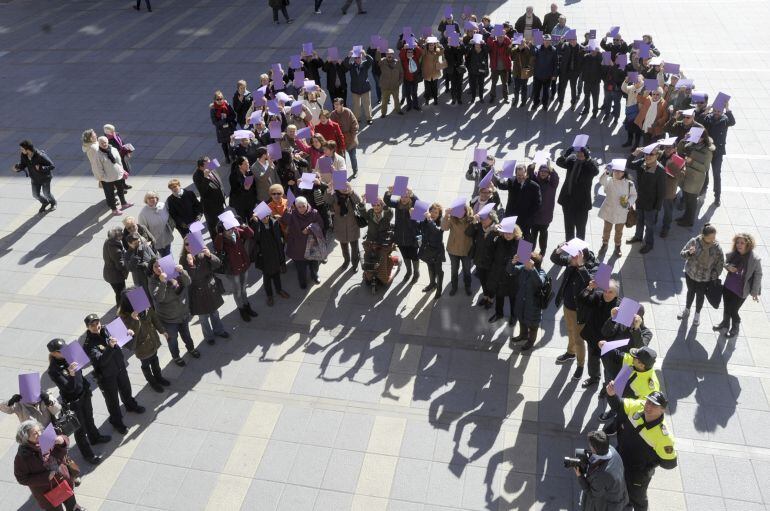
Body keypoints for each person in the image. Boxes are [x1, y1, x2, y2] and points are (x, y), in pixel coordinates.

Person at [606, 388, 677, 511]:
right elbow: (618, 405)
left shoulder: (664, 437)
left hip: (637, 474)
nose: (649, 406)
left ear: (662, 410)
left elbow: (669, 463)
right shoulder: (638, 407)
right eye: (648, 401)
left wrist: (647, 467)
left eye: (654, 405)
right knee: (618, 487)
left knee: (638, 500)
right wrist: (611, 395)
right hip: (620, 459)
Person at [46, 338, 110, 465]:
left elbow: (82, 373)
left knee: (89, 418)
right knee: (80, 429)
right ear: (53, 353)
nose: (64, 352)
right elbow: (69, 388)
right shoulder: (53, 370)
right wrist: (71, 374)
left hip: (84, 394)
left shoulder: (70, 356)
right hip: (73, 401)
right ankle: (88, 454)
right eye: (60, 351)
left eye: (65, 349)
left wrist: (86, 387)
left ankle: (95, 437)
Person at [82, 313, 145, 435]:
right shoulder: (89, 344)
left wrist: (130, 334)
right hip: (106, 376)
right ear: (88, 327)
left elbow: (126, 343)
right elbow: (101, 361)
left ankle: (130, 405)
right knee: (112, 401)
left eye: (97, 323)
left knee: (126, 389)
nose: (96, 326)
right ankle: (116, 422)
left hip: (119, 368)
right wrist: (110, 347)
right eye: (92, 325)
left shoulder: (108, 329)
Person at [14, 420, 83, 511]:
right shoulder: (23, 457)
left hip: (64, 481)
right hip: (47, 492)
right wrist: (46, 477)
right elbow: (21, 478)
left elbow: (64, 441)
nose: (39, 434)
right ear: (26, 438)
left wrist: (62, 441)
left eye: (39, 431)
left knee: (73, 507)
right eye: (35, 433)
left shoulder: (46, 438)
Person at [148, 258, 202, 366]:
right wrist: (163, 282)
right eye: (155, 266)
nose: (159, 268)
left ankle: (191, 349)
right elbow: (159, 298)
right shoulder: (153, 282)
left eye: (160, 265)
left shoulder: (174, 273)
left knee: (186, 335)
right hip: (168, 319)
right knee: (172, 340)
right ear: (152, 269)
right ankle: (176, 357)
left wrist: (182, 272)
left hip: (182, 314)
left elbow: (188, 282)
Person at [551, 244, 595, 380]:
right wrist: (558, 249)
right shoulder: (571, 263)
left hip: (580, 311)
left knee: (579, 339)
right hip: (568, 306)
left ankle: (580, 365)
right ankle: (570, 353)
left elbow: (592, 284)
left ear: (581, 258)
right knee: (570, 331)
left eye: (573, 256)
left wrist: (581, 267)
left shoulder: (593, 268)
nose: (570, 258)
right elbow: (555, 259)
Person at [118, 290, 170, 392]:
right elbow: (131, 335)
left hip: (153, 341)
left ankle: (159, 377)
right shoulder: (124, 317)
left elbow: (154, 318)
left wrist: (162, 330)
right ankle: (152, 382)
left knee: (155, 360)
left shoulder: (145, 307)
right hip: (142, 348)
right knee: (146, 365)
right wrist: (134, 320)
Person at [180, 241, 229, 344]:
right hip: (196, 292)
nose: (189, 246)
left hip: (210, 288)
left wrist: (210, 255)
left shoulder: (203, 253)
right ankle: (209, 337)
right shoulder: (183, 260)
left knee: (214, 312)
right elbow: (188, 279)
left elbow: (218, 264)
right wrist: (191, 265)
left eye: (191, 243)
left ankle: (219, 330)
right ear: (184, 247)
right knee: (203, 317)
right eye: (186, 244)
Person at [678, 224, 724, 326]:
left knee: (700, 295)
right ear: (704, 236)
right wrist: (689, 253)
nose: (713, 240)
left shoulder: (717, 248)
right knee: (690, 292)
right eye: (710, 237)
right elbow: (682, 254)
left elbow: (720, 263)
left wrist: (715, 273)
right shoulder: (694, 241)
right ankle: (687, 310)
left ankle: (697, 315)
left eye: (714, 237)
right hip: (691, 273)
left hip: (705, 278)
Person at [578, 279, 620, 389]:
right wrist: (589, 288)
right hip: (593, 337)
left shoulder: (619, 307)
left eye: (610, 292)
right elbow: (583, 299)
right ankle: (594, 378)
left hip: (608, 343)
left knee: (609, 367)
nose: (606, 294)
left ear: (616, 294)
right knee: (592, 361)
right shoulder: (598, 296)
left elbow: (620, 330)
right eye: (606, 290)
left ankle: (607, 387)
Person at [719, 233, 762, 338]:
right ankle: (725, 323)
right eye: (737, 242)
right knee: (726, 307)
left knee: (733, 310)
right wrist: (728, 267)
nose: (739, 245)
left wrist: (755, 292)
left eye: (742, 243)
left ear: (748, 244)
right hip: (728, 286)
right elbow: (725, 263)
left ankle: (735, 327)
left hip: (741, 290)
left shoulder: (755, 259)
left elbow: (758, 275)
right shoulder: (734, 254)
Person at [213, 216, 256, 321]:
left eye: (232, 227)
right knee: (237, 291)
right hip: (232, 270)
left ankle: (247, 306)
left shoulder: (236, 231)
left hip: (243, 265)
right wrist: (220, 235)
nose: (231, 230)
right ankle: (241, 309)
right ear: (222, 230)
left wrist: (243, 226)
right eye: (228, 229)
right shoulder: (221, 238)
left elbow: (251, 234)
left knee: (243, 289)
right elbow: (217, 247)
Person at [575, 431, 629, 511]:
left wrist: (579, 476)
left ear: (594, 449)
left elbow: (592, 494)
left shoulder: (601, 475)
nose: (589, 446)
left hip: (607, 505)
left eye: (590, 445)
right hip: (619, 494)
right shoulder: (612, 450)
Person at [626, 146, 665, 254]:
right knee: (639, 220)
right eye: (646, 154)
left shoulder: (660, 170)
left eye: (651, 154)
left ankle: (649, 244)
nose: (647, 156)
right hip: (640, 200)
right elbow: (629, 164)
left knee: (649, 225)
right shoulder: (642, 162)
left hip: (651, 204)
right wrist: (634, 153)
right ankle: (638, 237)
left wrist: (657, 208)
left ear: (657, 156)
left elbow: (661, 192)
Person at [279, 196, 324, 289]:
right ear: (295, 206)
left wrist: (309, 229)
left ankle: (314, 276)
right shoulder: (292, 213)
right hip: (297, 245)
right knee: (300, 267)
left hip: (312, 244)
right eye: (299, 207)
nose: (302, 209)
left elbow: (321, 224)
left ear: (307, 204)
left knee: (314, 264)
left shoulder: (314, 213)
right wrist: (287, 211)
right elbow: (285, 221)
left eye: (303, 206)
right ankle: (302, 281)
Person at [556, 146, 599, 241]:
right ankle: (569, 250)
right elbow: (559, 162)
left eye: (582, 153)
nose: (579, 155)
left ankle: (579, 253)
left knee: (580, 230)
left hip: (582, 204)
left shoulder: (591, 163)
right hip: (568, 201)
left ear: (587, 154)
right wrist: (566, 154)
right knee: (569, 229)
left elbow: (595, 171)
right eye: (578, 152)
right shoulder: (572, 160)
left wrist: (587, 159)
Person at [675, 128, 714, 227]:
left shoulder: (708, 151)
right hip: (686, 175)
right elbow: (679, 151)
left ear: (702, 138)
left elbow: (705, 168)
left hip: (695, 179)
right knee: (686, 198)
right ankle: (685, 217)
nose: (693, 139)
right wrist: (684, 140)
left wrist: (692, 162)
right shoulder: (691, 144)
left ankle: (689, 221)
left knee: (691, 201)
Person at [700, 99, 735, 206]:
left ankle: (717, 196)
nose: (716, 113)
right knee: (704, 172)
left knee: (716, 174)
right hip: (707, 149)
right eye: (715, 110)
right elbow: (699, 122)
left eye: (719, 111)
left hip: (718, 151)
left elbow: (733, 122)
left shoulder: (725, 119)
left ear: (722, 111)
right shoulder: (708, 117)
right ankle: (703, 190)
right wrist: (706, 111)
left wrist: (728, 108)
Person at [250, 211, 289, 306]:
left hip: (275, 253)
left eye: (267, 216)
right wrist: (255, 222)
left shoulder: (274, 222)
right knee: (267, 278)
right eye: (262, 217)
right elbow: (255, 237)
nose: (265, 219)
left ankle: (279, 290)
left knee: (276, 274)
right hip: (264, 256)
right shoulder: (257, 226)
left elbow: (279, 236)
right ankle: (269, 295)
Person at [598, 160, 636, 256]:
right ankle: (604, 244)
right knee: (606, 229)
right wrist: (606, 172)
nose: (617, 173)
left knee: (619, 231)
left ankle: (617, 246)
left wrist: (628, 203)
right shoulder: (609, 180)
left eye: (620, 171)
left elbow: (634, 195)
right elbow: (601, 181)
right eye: (615, 171)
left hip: (621, 212)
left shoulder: (629, 183)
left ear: (624, 172)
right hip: (609, 210)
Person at [509, 252, 546, 350]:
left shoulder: (541, 273)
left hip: (533, 306)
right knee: (522, 320)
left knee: (533, 326)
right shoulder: (522, 269)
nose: (523, 263)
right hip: (521, 303)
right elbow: (510, 270)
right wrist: (513, 262)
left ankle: (531, 341)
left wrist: (532, 270)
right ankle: (523, 335)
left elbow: (539, 283)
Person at [383, 188, 420, 283]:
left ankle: (416, 273)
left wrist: (413, 195)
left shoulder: (413, 205)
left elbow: (419, 203)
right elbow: (387, 201)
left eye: (407, 197)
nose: (404, 199)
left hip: (412, 237)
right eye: (402, 196)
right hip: (400, 237)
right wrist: (389, 192)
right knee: (405, 256)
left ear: (410, 197)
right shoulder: (397, 204)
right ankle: (409, 271)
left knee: (414, 256)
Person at [497, 162, 541, 238]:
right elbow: (502, 186)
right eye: (518, 175)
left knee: (524, 241)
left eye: (522, 175)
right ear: (515, 174)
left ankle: (524, 250)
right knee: (508, 238)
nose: (520, 177)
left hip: (525, 220)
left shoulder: (534, 186)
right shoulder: (512, 180)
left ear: (526, 174)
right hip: (510, 216)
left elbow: (537, 204)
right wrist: (501, 177)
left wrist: (529, 216)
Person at [488, 222, 521, 323]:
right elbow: (489, 249)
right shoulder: (498, 240)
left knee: (513, 298)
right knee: (499, 295)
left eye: (510, 232)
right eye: (505, 232)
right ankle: (499, 314)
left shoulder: (523, 244)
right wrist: (493, 232)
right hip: (499, 274)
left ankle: (514, 316)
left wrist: (516, 263)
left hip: (513, 276)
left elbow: (525, 265)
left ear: (515, 232)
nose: (507, 235)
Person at [13, 140, 57, 214]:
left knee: (46, 193)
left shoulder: (40, 155)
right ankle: (45, 202)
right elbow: (23, 164)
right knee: (35, 195)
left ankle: (53, 203)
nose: (21, 150)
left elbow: (52, 166)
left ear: (28, 149)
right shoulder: (24, 155)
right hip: (34, 178)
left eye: (22, 149)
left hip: (45, 178)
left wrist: (41, 168)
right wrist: (18, 168)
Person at [466, 210, 499, 308]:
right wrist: (474, 223)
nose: (483, 220)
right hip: (479, 260)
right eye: (482, 218)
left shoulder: (497, 230)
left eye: (485, 218)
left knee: (490, 282)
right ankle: (485, 297)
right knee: (483, 280)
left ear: (492, 219)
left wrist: (494, 232)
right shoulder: (479, 226)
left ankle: (490, 299)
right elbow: (468, 233)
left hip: (491, 263)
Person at [327, 182, 363, 271]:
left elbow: (359, 201)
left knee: (355, 248)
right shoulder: (334, 195)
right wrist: (328, 190)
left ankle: (355, 264)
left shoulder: (351, 194)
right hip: (340, 227)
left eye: (345, 186)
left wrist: (351, 192)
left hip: (353, 226)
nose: (343, 188)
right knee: (344, 248)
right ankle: (346, 260)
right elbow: (327, 200)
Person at [95, 136, 132, 216]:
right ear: (99, 144)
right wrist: (104, 178)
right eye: (102, 143)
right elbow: (99, 168)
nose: (104, 144)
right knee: (110, 194)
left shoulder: (113, 149)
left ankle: (124, 203)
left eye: (105, 142)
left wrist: (122, 170)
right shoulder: (98, 155)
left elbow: (119, 161)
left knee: (121, 189)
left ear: (108, 141)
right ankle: (114, 209)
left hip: (118, 175)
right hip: (108, 179)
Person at [442, 204, 473, 296]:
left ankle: (468, 286)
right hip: (453, 250)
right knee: (454, 270)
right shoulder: (452, 218)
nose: (459, 213)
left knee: (467, 270)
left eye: (462, 210)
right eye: (457, 210)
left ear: (466, 210)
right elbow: (444, 228)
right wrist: (446, 215)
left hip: (466, 250)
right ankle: (454, 287)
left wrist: (475, 221)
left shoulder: (471, 218)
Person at [529, 161, 558, 254]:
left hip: (546, 216)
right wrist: (532, 166)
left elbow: (555, 177)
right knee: (532, 235)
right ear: (539, 171)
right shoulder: (534, 181)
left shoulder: (552, 184)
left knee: (543, 235)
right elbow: (529, 174)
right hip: (534, 216)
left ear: (548, 173)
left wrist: (551, 169)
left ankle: (542, 252)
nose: (543, 173)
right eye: (542, 171)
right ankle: (529, 253)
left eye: (546, 171)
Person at [193, 157, 227, 233]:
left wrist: (223, 193)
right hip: (211, 208)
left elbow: (218, 182)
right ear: (201, 167)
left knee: (222, 223)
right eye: (208, 164)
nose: (211, 164)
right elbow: (202, 192)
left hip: (220, 202)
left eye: (210, 162)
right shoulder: (197, 176)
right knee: (214, 226)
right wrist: (205, 177)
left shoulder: (211, 168)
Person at [418, 203, 446, 299]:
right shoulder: (425, 221)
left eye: (436, 212)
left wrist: (429, 219)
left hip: (437, 251)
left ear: (439, 214)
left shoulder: (441, 222)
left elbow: (436, 231)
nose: (433, 214)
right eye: (431, 211)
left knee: (439, 271)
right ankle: (432, 283)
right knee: (430, 267)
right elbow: (419, 227)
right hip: (427, 249)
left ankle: (439, 289)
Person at [138, 191, 175, 257]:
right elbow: (142, 230)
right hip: (156, 242)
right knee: (163, 258)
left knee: (168, 255)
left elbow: (169, 218)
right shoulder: (143, 214)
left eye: (153, 197)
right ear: (146, 200)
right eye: (149, 198)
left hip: (167, 238)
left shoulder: (163, 205)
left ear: (157, 198)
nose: (151, 199)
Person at [329, 98, 360, 177]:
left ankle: (355, 171)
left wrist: (352, 136)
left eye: (337, 105)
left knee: (353, 157)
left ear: (342, 105)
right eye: (334, 104)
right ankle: (343, 174)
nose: (335, 106)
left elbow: (355, 124)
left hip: (350, 138)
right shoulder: (332, 114)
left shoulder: (348, 112)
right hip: (339, 140)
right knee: (342, 159)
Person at [344, 50, 374, 124]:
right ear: (354, 59)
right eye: (356, 58)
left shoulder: (365, 64)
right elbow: (345, 64)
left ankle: (369, 118)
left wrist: (365, 54)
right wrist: (348, 56)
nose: (357, 59)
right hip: (355, 89)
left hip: (365, 88)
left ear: (361, 58)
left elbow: (371, 60)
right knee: (356, 106)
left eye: (359, 58)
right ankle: (357, 118)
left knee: (367, 104)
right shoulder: (351, 66)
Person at [102, 227, 129, 307]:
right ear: (118, 237)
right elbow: (120, 265)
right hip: (116, 276)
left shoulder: (108, 241)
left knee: (117, 291)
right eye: (121, 236)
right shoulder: (116, 250)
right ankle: (121, 310)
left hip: (109, 273)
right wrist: (129, 263)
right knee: (120, 293)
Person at [556, 31, 583, 109]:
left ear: (576, 40)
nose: (572, 41)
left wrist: (578, 72)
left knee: (573, 88)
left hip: (574, 72)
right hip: (565, 71)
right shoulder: (565, 45)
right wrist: (560, 42)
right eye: (570, 40)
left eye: (573, 40)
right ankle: (561, 102)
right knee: (562, 87)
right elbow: (558, 50)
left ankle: (573, 103)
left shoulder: (580, 48)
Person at [530, 35, 557, 110]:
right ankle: (535, 103)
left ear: (550, 41)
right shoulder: (538, 48)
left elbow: (555, 63)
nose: (547, 42)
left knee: (546, 92)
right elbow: (533, 53)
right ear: (543, 41)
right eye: (545, 40)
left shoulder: (553, 50)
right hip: (538, 74)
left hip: (548, 75)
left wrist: (554, 74)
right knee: (536, 91)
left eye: (548, 41)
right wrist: (532, 45)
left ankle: (545, 104)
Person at [210, 90, 236, 163]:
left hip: (229, 128)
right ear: (215, 100)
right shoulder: (213, 109)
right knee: (224, 144)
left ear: (223, 98)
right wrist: (223, 121)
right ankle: (227, 157)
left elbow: (233, 115)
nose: (220, 101)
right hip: (221, 130)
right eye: (217, 99)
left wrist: (227, 119)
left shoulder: (227, 105)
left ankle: (233, 155)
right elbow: (214, 122)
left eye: (221, 99)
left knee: (231, 143)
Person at [580, 41, 603, 117]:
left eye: (594, 50)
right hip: (587, 81)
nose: (593, 52)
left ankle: (595, 112)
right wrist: (583, 50)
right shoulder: (586, 57)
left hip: (595, 83)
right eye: (591, 50)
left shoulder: (599, 58)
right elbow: (579, 60)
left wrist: (599, 52)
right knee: (586, 97)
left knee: (595, 98)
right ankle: (586, 109)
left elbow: (603, 63)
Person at [379, 49, 404, 116]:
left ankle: (398, 110)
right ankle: (383, 113)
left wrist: (399, 83)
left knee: (396, 100)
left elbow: (401, 73)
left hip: (395, 86)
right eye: (387, 54)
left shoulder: (397, 62)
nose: (389, 55)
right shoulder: (382, 62)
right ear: (385, 55)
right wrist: (378, 51)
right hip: (385, 87)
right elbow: (377, 60)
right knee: (384, 101)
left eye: (390, 54)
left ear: (393, 55)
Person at [421, 37, 445, 106]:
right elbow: (421, 52)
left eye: (432, 45)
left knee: (434, 88)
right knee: (427, 89)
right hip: (427, 73)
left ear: (434, 45)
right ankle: (427, 100)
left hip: (435, 73)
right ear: (428, 46)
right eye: (430, 45)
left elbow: (442, 51)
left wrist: (439, 44)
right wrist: (424, 44)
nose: (431, 46)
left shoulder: (437, 51)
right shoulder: (425, 52)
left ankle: (435, 99)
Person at [465, 37, 489, 104]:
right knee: (473, 85)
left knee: (481, 85)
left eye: (478, 44)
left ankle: (481, 97)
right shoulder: (471, 50)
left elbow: (488, 50)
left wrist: (484, 43)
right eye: (476, 44)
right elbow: (467, 59)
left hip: (481, 71)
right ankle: (473, 97)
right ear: (474, 44)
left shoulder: (483, 50)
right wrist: (469, 68)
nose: (477, 45)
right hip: (473, 71)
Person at [510, 39, 534, 107]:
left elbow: (531, 58)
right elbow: (510, 54)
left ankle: (523, 101)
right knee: (516, 88)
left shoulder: (527, 50)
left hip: (524, 72)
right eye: (519, 43)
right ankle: (516, 100)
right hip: (516, 72)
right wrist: (511, 44)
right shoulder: (515, 49)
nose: (520, 45)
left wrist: (527, 46)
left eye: (522, 43)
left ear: (524, 44)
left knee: (524, 88)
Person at [400, 45, 424, 111]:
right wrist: (404, 48)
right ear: (406, 53)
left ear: (413, 53)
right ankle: (409, 106)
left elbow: (420, 52)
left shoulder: (415, 58)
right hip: (407, 79)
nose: (409, 53)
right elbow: (401, 55)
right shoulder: (404, 59)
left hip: (414, 79)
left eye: (411, 52)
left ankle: (415, 105)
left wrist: (416, 46)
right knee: (408, 93)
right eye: (408, 52)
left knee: (414, 93)